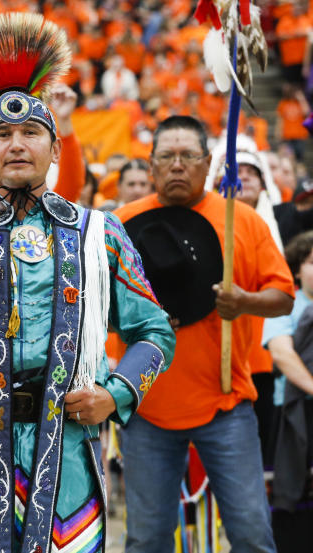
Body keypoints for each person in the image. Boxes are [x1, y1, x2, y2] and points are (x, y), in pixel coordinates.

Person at [0, 13, 174, 553]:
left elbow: (156, 332)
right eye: (2, 134)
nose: (17, 145)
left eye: (31, 133)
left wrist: (114, 395)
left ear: (55, 147)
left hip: (67, 448)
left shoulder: (98, 232)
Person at [115, 116, 295, 553]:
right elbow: (90, 306)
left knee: (252, 533)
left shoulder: (243, 221)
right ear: (151, 165)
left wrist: (244, 303)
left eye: (188, 156)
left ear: (208, 162)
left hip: (225, 402)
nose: (177, 165)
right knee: (147, 539)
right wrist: (136, 319)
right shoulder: (118, 225)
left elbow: (283, 296)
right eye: (166, 157)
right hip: (146, 405)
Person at [262, 230, 313, 553]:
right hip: (292, 418)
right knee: (293, 509)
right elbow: (281, 353)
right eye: (312, 261)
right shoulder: (287, 307)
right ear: (297, 268)